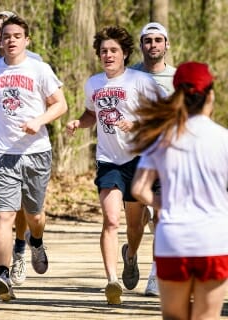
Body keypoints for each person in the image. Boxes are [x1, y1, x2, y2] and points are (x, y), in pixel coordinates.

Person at [0, 15, 67, 301]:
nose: (11, 39)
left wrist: (39, 121)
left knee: (34, 215)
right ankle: (3, 274)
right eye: (6, 36)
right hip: (2, 154)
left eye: (17, 35)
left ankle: (36, 241)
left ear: (27, 40)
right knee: (3, 215)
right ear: (0, 41)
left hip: (36, 153)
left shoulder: (40, 69)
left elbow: (61, 105)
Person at [66, 26, 161, 305]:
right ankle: (112, 281)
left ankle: (130, 255)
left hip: (139, 159)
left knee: (134, 226)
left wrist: (135, 123)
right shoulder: (94, 83)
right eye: (103, 51)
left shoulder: (141, 81)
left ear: (125, 54)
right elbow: (90, 113)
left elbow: (159, 116)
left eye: (113, 51)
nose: (108, 55)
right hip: (109, 161)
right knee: (111, 220)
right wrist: (79, 123)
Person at [131, 61, 228, 319]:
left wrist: (167, 205)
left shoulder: (162, 137)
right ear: (211, 95)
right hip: (213, 239)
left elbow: (139, 188)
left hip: (173, 240)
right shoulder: (223, 138)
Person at [0, 10, 43, 286]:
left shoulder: (35, 62)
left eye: (9, 31)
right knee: (0, 204)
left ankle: (19, 250)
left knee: (25, 207)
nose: (2, 35)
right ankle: (0, 262)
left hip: (27, 145)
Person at [131, 22, 176, 296]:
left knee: (162, 216)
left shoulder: (176, 78)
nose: (153, 45)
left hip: (164, 156)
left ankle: (155, 274)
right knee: (134, 222)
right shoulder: (128, 75)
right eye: (148, 41)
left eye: (158, 40)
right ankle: (131, 253)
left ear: (166, 45)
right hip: (131, 156)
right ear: (141, 46)